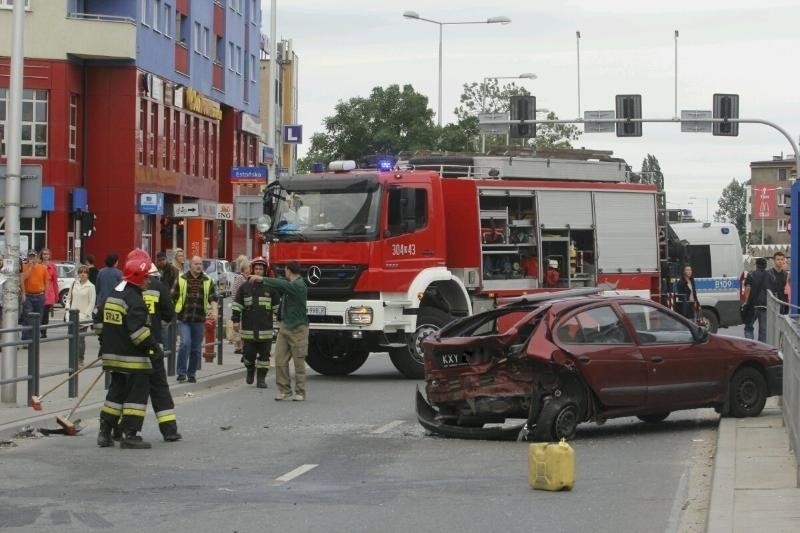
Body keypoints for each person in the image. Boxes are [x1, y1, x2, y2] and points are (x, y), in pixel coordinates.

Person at [96, 254, 163, 449]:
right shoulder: (135, 300)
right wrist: (153, 348)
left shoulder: (113, 294)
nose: (148, 280)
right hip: (133, 360)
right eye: (145, 277)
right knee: (136, 397)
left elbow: (99, 324)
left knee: (115, 394)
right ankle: (130, 434)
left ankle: (104, 433)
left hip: (113, 357)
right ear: (136, 277)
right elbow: (138, 334)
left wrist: (105, 342)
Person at [249, 261, 308, 401]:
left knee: (299, 362)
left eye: (285, 271)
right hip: (285, 327)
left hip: (298, 328)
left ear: (289, 270)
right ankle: (284, 390)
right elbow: (281, 283)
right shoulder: (290, 285)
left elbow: (282, 285)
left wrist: (261, 278)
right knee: (280, 359)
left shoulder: (299, 285)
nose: (285, 273)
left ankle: (300, 392)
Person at [140, 255, 181, 442]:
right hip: (153, 344)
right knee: (160, 388)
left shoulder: (127, 289)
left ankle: (123, 430)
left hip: (133, 348)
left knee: (131, 391)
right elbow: (169, 313)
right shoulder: (158, 287)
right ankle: (169, 430)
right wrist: (158, 327)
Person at [231, 257, 278, 388]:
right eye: (256, 268)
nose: (258, 271)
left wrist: (282, 321)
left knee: (264, 357)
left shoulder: (271, 288)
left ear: (265, 271)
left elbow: (277, 308)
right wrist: (235, 321)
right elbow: (237, 305)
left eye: (261, 269)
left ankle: (261, 379)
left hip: (266, 330)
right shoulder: (245, 287)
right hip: (249, 330)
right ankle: (250, 370)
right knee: (248, 355)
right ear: (252, 270)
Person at [173, 255, 217, 383]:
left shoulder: (208, 280)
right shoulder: (181, 279)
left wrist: (214, 311)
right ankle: (181, 372)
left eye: (200, 264)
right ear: (190, 265)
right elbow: (173, 296)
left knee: (196, 348)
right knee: (185, 343)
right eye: (196, 264)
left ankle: (191, 374)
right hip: (184, 318)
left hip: (199, 319)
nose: (199, 266)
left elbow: (214, 297)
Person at [65, 264, 96, 365]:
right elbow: (69, 297)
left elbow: (92, 303)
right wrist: (67, 309)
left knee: (80, 340)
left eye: (85, 272)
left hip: (84, 317)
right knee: (72, 338)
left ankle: (80, 359)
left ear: (88, 274)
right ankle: (72, 357)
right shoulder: (74, 284)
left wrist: (86, 314)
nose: (82, 274)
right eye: (80, 272)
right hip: (72, 315)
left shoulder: (91, 286)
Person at [20, 250, 49, 342]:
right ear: (28, 257)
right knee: (27, 318)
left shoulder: (43, 268)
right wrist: (23, 293)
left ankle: (35, 339)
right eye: (30, 256)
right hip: (28, 295)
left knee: (38, 319)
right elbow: (22, 279)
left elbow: (47, 282)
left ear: (37, 257)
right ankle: (26, 339)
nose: (32, 258)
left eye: (34, 256)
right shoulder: (24, 266)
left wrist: (45, 295)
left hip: (39, 295)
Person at [742, 257, 769, 342]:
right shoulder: (769, 275)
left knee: (749, 326)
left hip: (752, 305)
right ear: (765, 266)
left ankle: (750, 345)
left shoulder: (751, 274)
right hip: (765, 305)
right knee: (763, 329)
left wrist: (746, 302)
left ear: (756, 265)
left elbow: (748, 288)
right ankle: (761, 348)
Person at [229, 255, 250, 355]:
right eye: (248, 267)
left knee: (240, 325)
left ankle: (239, 346)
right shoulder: (240, 278)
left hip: (240, 305)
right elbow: (235, 293)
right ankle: (239, 346)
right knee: (240, 325)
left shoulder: (241, 277)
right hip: (240, 305)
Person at [39, 248, 59, 338]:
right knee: (39, 313)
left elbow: (55, 282)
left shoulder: (53, 266)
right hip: (39, 292)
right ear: (41, 255)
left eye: (47, 254)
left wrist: (56, 295)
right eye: (44, 254)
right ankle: (38, 330)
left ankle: (43, 332)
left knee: (45, 314)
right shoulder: (38, 265)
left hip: (48, 293)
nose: (46, 256)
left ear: (49, 256)